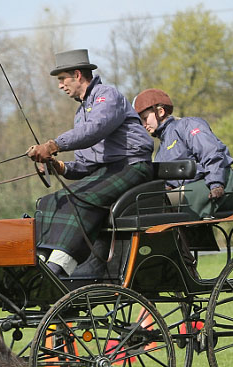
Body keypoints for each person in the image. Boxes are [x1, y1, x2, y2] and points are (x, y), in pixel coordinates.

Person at [26, 49, 154, 277]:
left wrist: (53, 145)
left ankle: (61, 266)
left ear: (77, 74)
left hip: (132, 166)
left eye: (62, 79)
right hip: (107, 172)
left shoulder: (107, 96)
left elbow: (94, 130)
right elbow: (86, 164)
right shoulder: (80, 112)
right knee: (49, 201)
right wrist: (60, 167)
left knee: (80, 199)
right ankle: (41, 259)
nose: (60, 86)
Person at [133, 88, 233, 218]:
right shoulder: (162, 147)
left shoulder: (187, 125)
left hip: (217, 185)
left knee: (158, 206)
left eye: (145, 118)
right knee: (146, 203)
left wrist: (216, 184)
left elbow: (211, 152)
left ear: (160, 112)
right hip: (191, 189)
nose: (143, 125)